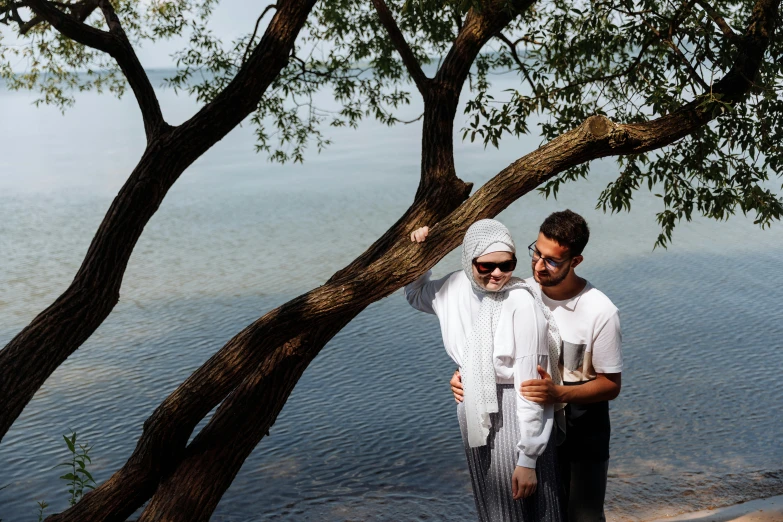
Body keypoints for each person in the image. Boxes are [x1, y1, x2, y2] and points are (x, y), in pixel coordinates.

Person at [450, 210, 622, 522]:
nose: (539, 266)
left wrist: (558, 393)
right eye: (536, 253)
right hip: (529, 426)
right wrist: (464, 375)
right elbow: (483, 344)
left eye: (552, 260)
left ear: (576, 261)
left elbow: (611, 385)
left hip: (583, 433)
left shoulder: (600, 311)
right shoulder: (518, 291)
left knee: (584, 517)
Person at [406, 219, 564, 522]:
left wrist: (529, 457)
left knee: (529, 509)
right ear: (469, 260)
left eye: (507, 265)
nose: (497, 274)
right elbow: (415, 294)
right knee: (493, 509)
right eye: (486, 266)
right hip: (473, 407)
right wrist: (421, 251)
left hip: (515, 414)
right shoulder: (452, 287)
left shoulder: (521, 301)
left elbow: (531, 384)